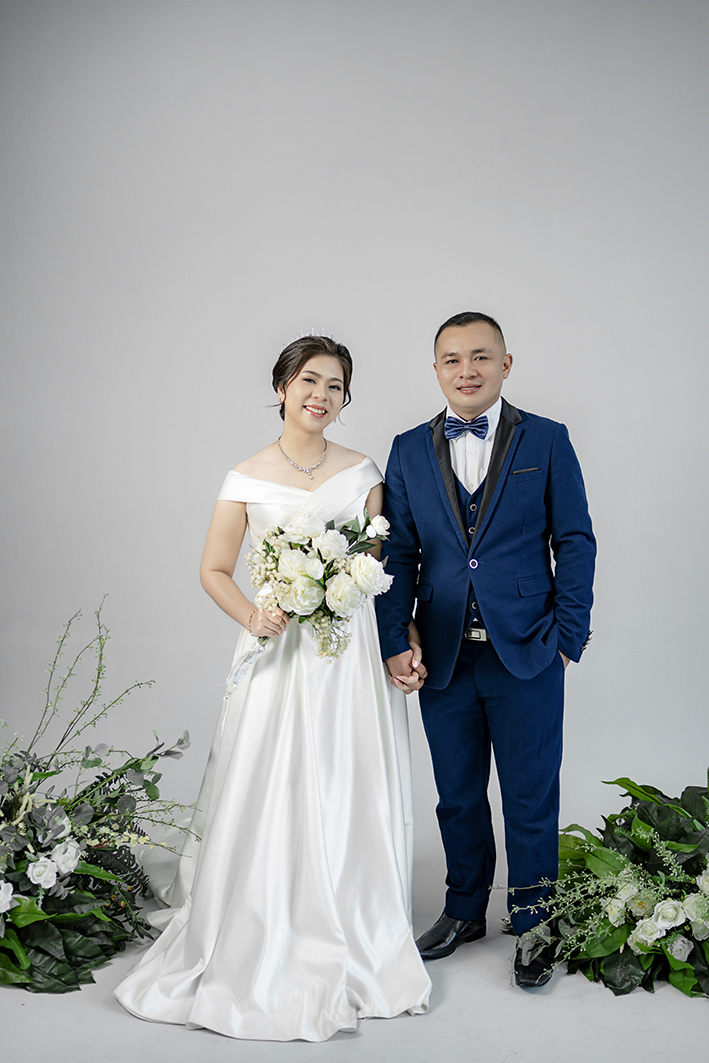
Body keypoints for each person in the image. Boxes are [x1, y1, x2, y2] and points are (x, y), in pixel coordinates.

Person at [114, 335, 431, 1040]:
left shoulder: (363, 471)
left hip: (347, 652)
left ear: (345, 399)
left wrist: (393, 627)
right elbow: (214, 569)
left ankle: (352, 911)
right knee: (269, 774)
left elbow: (379, 568)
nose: (321, 395)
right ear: (283, 385)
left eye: (335, 386)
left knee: (348, 775)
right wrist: (254, 614)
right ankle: (261, 913)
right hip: (278, 644)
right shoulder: (245, 476)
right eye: (309, 380)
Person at [375, 311, 595, 988]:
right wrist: (393, 638)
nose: (465, 370)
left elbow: (575, 540)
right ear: (436, 369)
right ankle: (464, 908)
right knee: (457, 795)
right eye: (451, 359)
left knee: (530, 795)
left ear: (505, 363)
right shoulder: (408, 449)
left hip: (527, 650)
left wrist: (567, 635)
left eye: (479, 356)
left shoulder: (547, 439)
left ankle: (533, 922)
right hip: (442, 653)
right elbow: (397, 553)